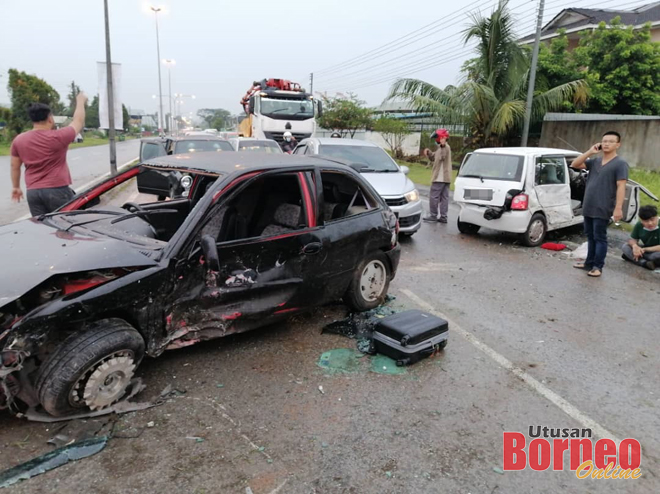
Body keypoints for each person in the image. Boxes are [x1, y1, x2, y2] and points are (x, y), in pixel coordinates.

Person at [10, 92, 87, 216]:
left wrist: (16, 187)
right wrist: (80, 101)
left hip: (33, 193)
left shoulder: (19, 139)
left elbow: (14, 166)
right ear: (50, 118)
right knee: (65, 226)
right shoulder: (59, 136)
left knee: (43, 228)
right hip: (57, 190)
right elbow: (78, 120)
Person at [570, 131, 629, 278]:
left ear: (618, 144)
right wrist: (590, 151)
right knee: (590, 236)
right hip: (589, 204)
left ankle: (598, 266)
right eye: (604, 141)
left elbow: (621, 186)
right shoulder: (594, 161)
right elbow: (575, 164)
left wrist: (618, 208)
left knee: (599, 237)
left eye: (610, 141)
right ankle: (589, 263)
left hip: (604, 206)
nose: (606, 144)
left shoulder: (620, 164)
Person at [422, 128, 452, 223]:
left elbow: (443, 157)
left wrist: (443, 145)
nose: (436, 140)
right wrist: (428, 153)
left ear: (442, 138)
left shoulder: (445, 147)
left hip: (440, 177)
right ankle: (443, 217)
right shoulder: (441, 148)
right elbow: (433, 157)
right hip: (446, 178)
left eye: (437, 137)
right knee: (444, 198)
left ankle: (433, 215)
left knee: (434, 196)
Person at [621, 205, 660, 271]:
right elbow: (632, 239)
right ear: (641, 220)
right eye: (646, 221)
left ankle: (634, 259)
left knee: (656, 256)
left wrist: (644, 249)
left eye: (652, 219)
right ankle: (645, 263)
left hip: (655, 251)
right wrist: (635, 246)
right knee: (625, 247)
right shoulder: (639, 225)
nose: (650, 223)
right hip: (645, 251)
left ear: (656, 217)